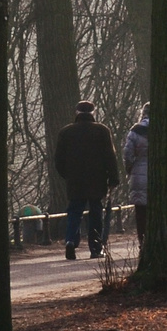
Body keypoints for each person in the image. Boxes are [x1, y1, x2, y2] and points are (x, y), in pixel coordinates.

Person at [56, 100, 121, 260]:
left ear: (77, 112)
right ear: (93, 112)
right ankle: (95, 247)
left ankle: (71, 240)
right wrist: (113, 178)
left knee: (74, 211)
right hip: (97, 179)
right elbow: (110, 157)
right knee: (95, 213)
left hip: (75, 180)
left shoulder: (66, 132)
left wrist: (67, 175)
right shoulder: (102, 131)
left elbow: (58, 159)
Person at [123, 103, 150, 238]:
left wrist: (131, 170)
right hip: (160, 175)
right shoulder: (165, 129)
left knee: (141, 212)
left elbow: (127, 155)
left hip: (139, 175)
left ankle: (143, 240)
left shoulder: (135, 131)